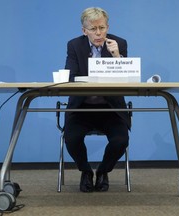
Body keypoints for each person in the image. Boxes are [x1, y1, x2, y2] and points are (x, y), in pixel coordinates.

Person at [64, 7, 131, 192]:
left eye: (102, 27)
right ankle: (86, 171)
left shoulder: (119, 43)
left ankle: (103, 171)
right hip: (82, 108)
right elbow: (70, 76)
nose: (99, 33)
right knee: (71, 139)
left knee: (120, 140)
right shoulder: (74, 45)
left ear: (107, 27)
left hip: (110, 109)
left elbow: (127, 80)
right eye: (93, 29)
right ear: (84, 31)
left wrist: (117, 56)